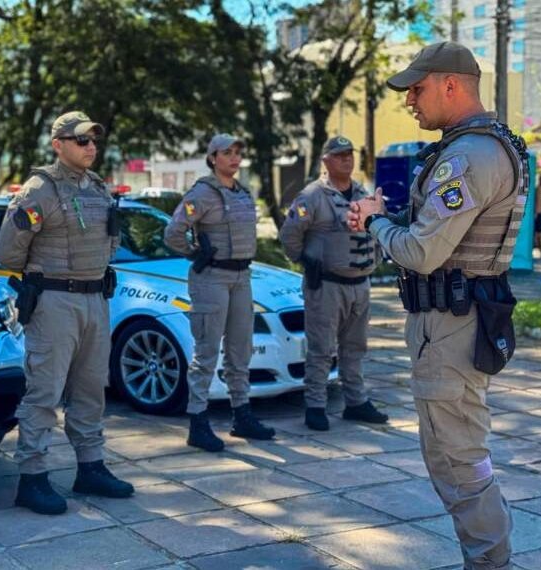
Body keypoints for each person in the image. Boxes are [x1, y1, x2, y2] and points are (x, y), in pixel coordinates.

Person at [348, 41, 529, 570]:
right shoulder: (479, 148)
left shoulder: (468, 156)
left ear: (451, 85)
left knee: (459, 460)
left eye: (417, 89)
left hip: (450, 327)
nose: (409, 101)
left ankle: (490, 563)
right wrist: (392, 215)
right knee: (456, 456)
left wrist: (374, 223)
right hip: (456, 322)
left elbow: (423, 252)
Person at [0, 111, 134, 515]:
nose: (91, 147)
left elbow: (110, 241)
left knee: (91, 389)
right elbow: (8, 253)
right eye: (81, 141)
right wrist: (46, 274)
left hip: (95, 298)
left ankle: (90, 467)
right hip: (55, 301)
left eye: (93, 140)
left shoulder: (96, 187)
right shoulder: (39, 190)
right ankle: (32, 478)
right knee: (44, 391)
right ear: (59, 145)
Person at [163, 134, 275, 452]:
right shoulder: (202, 192)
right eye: (227, 153)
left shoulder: (242, 192)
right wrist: (196, 252)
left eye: (238, 152)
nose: (234, 158)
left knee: (241, 350)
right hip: (211, 278)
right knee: (207, 352)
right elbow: (173, 231)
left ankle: (242, 416)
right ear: (213, 157)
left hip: (241, 276)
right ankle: (198, 422)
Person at [279, 136, 388, 431]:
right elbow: (289, 235)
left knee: (355, 348)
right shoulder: (313, 196)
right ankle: (315, 404)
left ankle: (356, 401)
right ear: (325, 160)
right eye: (340, 156)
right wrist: (304, 259)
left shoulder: (363, 193)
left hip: (360, 285)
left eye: (350, 154)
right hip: (326, 286)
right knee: (321, 348)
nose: (347, 160)